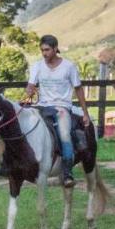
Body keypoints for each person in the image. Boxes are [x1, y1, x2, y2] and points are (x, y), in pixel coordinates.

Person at [22, 35, 92, 188]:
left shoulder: (68, 66)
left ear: (55, 49)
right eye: (42, 50)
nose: (44, 53)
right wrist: (26, 97)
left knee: (65, 135)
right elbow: (31, 86)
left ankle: (67, 173)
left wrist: (85, 113)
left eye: (47, 50)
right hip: (41, 106)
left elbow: (78, 89)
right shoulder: (37, 66)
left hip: (62, 107)